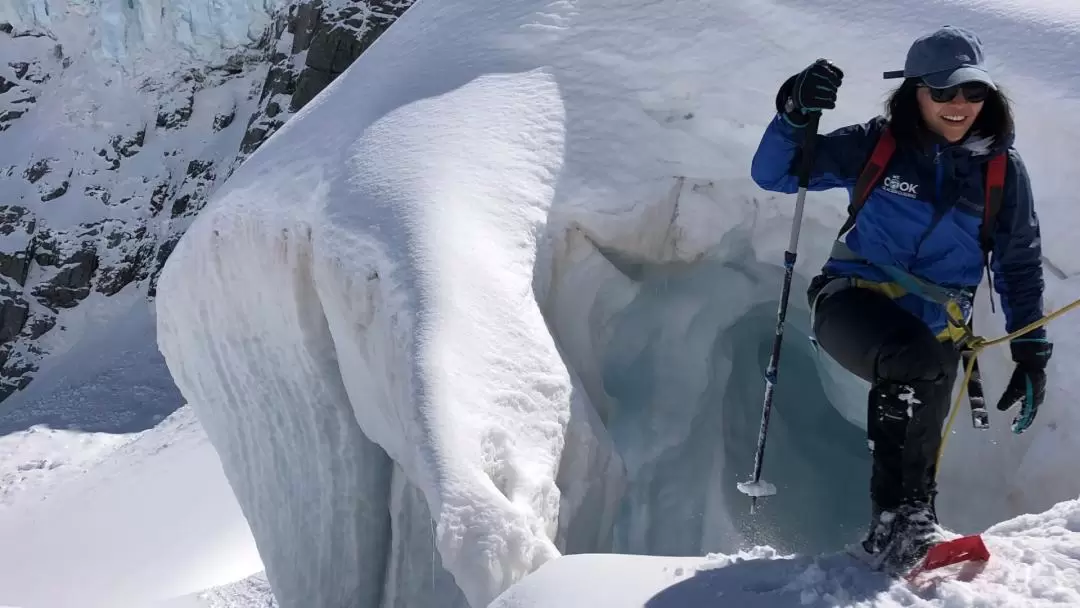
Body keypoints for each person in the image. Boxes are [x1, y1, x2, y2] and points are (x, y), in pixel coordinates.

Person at [749, 25, 1053, 571]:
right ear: (914, 92)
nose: (959, 105)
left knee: (925, 392)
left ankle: (908, 538)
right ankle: (901, 528)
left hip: (935, 333)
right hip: (850, 303)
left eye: (973, 92)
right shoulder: (877, 144)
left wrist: (1032, 352)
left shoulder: (1002, 171)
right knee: (918, 363)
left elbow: (1019, 263)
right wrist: (793, 111)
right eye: (943, 92)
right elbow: (775, 174)